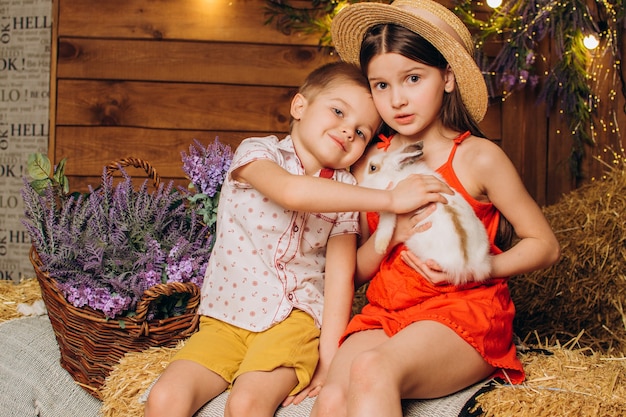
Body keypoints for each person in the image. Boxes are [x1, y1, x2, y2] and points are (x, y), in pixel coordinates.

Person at [144, 61, 453, 417]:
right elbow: (293, 192)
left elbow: (341, 280)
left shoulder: (347, 191)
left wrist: (329, 361)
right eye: (337, 111)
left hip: (295, 323)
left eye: (362, 132)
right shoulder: (257, 153)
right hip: (225, 319)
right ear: (300, 106)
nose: (348, 131)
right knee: (164, 398)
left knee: (246, 404)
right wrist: (391, 200)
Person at [308, 1, 561, 416]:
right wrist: (396, 233)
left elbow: (545, 245)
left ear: (447, 77)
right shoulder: (367, 157)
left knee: (372, 369)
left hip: (460, 313)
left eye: (412, 78)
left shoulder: (477, 158)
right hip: (385, 311)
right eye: (381, 85)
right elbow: (352, 271)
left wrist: (481, 268)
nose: (397, 100)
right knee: (332, 398)